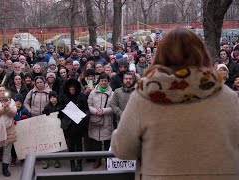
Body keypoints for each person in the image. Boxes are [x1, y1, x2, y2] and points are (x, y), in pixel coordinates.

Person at [111, 27, 239, 180]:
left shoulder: (143, 97)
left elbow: (123, 149)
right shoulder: (227, 96)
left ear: (160, 55)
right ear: (202, 53)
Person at [58, 78, 90, 172]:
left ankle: (79, 163)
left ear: (76, 88)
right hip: (68, 126)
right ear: (67, 88)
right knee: (71, 146)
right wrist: (65, 113)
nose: (72, 90)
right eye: (70, 88)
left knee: (79, 145)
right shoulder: (64, 97)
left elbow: (87, 109)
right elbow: (60, 110)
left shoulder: (82, 96)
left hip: (79, 125)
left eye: (73, 88)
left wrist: (84, 116)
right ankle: (72, 163)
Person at [88, 73, 113, 169]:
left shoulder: (112, 93)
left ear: (108, 82)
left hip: (107, 121)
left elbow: (113, 107)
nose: (103, 82)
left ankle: (107, 160)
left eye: (105, 80)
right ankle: (97, 160)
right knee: (96, 142)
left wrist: (104, 111)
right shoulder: (93, 92)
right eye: (102, 80)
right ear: (99, 81)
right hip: (95, 120)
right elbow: (89, 104)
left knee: (107, 141)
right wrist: (95, 111)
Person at [41, 91, 62, 169]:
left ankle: (57, 160)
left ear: (57, 97)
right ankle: (46, 160)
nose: (52, 99)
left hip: (58, 128)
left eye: (54, 97)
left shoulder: (60, 106)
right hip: (49, 128)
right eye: (51, 98)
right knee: (48, 146)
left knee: (57, 145)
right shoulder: (47, 107)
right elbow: (43, 116)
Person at [11, 93, 29, 167]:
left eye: (19, 103)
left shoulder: (25, 110)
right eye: (16, 103)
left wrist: (25, 118)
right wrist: (13, 121)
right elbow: (9, 118)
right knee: (13, 147)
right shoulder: (12, 110)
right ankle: (13, 159)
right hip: (14, 131)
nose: (18, 105)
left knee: (22, 145)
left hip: (22, 131)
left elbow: (29, 119)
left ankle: (22, 159)